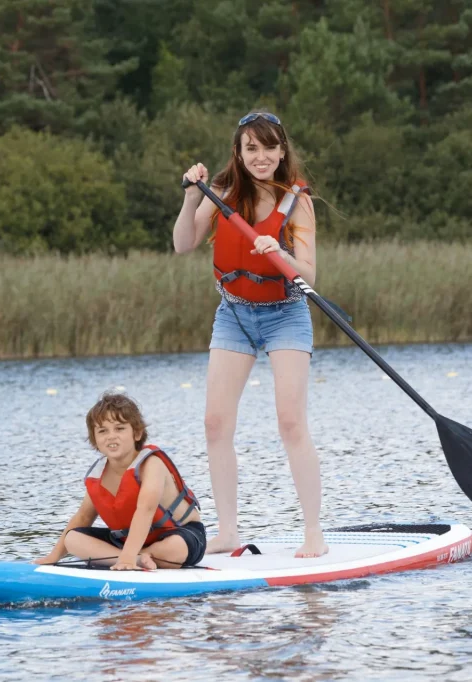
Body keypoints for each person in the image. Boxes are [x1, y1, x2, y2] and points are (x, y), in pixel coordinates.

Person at [172, 110, 327, 558]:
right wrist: (188, 198)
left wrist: (279, 251)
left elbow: (308, 274)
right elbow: (183, 244)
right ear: (238, 154)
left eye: (269, 148)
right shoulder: (219, 193)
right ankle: (228, 531)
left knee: (291, 422)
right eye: (251, 148)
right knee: (215, 423)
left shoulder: (297, 202)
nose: (261, 157)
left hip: (286, 314)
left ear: (282, 151)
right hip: (234, 315)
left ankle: (313, 533)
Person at [34, 392, 207, 570]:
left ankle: (133, 557)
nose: (111, 436)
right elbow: (83, 517)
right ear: (95, 439)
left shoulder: (152, 464)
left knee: (175, 548)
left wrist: (127, 557)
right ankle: (141, 559)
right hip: (129, 543)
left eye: (119, 428)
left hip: (179, 535)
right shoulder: (99, 474)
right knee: (73, 539)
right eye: (103, 431)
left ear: (137, 433)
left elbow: (146, 510)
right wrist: (53, 557)